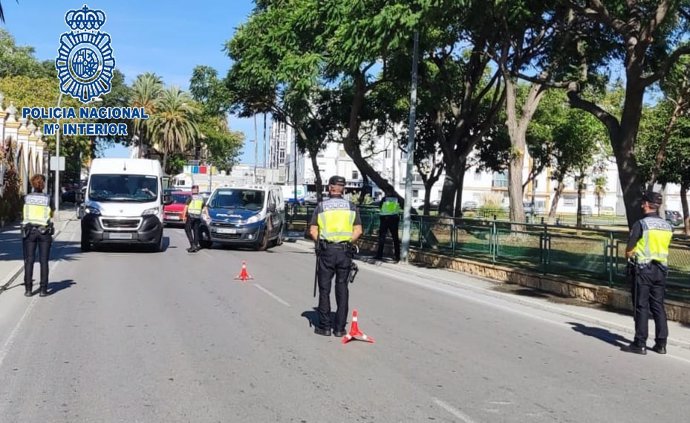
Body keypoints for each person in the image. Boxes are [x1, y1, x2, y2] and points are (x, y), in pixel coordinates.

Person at [309, 175, 363, 337]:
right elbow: (358, 230)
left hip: (327, 251)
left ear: (330, 187)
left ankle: (324, 327)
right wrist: (348, 242)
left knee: (324, 289)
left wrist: (320, 243)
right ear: (343, 188)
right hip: (345, 252)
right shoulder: (351, 207)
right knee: (342, 288)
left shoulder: (321, 207)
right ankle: (339, 328)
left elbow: (313, 230)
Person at [623, 191, 673, 355]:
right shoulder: (667, 226)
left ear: (646, 204)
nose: (641, 204)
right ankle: (661, 344)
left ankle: (640, 343)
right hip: (661, 270)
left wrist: (630, 254)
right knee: (658, 306)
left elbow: (630, 249)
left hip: (643, 270)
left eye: (642, 202)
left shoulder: (642, 224)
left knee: (641, 306)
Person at [22, 174, 54, 297]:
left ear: (32, 184)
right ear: (43, 184)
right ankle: (43, 290)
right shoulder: (48, 198)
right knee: (43, 261)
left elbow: (23, 213)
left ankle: (28, 289)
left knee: (29, 261)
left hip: (29, 231)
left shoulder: (26, 198)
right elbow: (51, 213)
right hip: (44, 232)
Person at [374, 189, 402, 262]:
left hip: (385, 219)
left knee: (382, 238)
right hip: (394, 219)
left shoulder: (385, 199)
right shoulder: (397, 199)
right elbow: (400, 207)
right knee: (395, 239)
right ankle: (397, 256)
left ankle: (379, 255)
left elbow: (380, 206)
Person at [185, 185, 204, 253]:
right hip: (198, 216)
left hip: (191, 216)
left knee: (187, 230)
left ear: (192, 190)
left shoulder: (191, 197)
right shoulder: (201, 198)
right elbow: (203, 207)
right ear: (198, 190)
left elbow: (186, 207)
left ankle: (192, 245)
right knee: (196, 230)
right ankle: (195, 246)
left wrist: (184, 215)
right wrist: (207, 215)